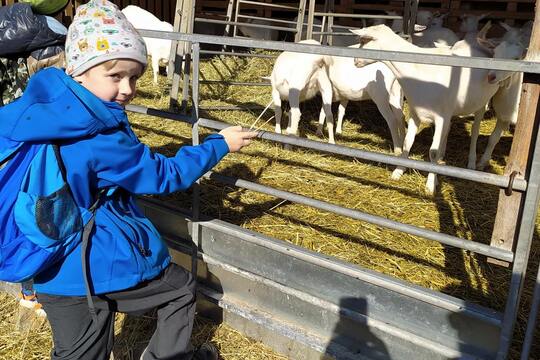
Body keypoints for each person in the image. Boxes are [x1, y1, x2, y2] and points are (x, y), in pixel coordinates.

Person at [1, 0, 257, 359]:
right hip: (90, 259)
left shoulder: (29, 108)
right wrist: (219, 144)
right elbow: (165, 175)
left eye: (134, 76)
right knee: (180, 288)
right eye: (114, 75)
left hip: (44, 263)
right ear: (79, 70)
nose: (127, 89)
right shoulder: (99, 135)